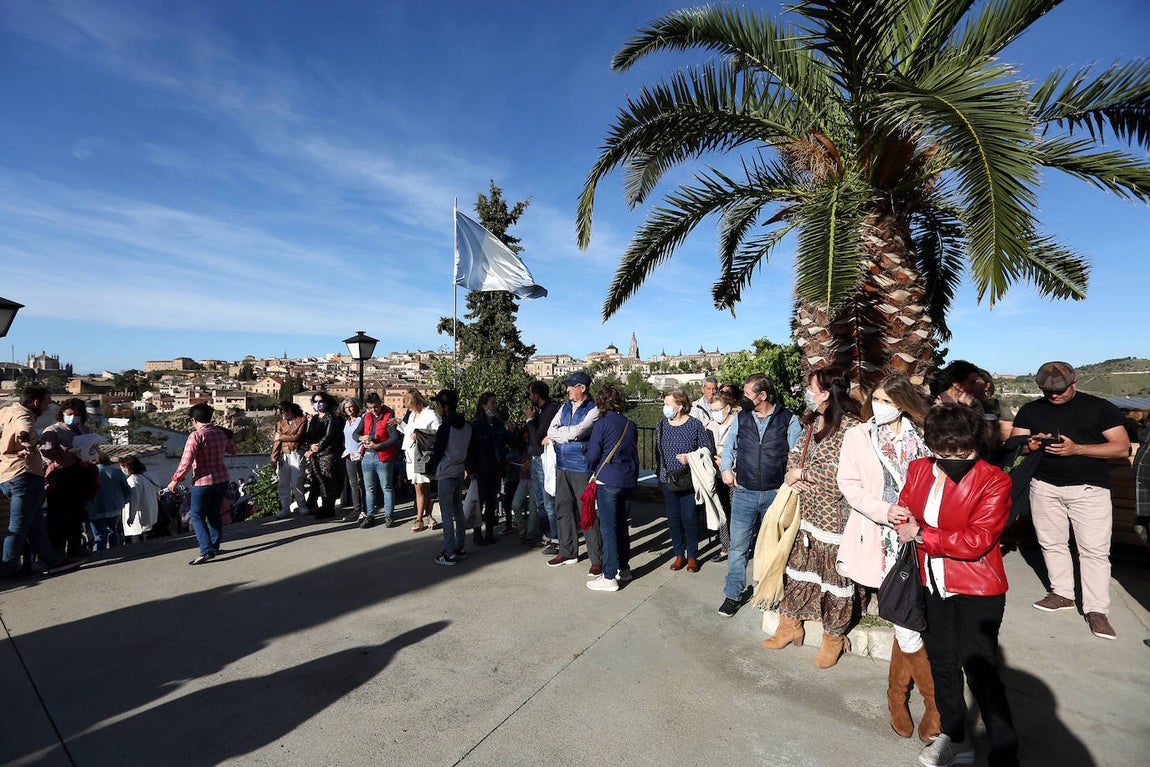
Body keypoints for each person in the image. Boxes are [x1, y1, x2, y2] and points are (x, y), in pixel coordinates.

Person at [894, 404, 1019, 767]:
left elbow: (978, 540)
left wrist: (921, 533)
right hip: (931, 583)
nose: (954, 460)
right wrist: (900, 516)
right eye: (944, 454)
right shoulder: (919, 469)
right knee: (943, 664)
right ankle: (955, 737)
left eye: (963, 453)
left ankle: (1005, 750)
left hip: (977, 588)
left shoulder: (994, 480)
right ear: (931, 446)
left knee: (981, 670)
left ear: (976, 446)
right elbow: (906, 506)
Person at [836, 374, 939, 742]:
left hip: (922, 539)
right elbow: (849, 486)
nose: (878, 406)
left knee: (906, 617)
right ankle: (933, 703)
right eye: (875, 399)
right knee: (907, 620)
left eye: (886, 400)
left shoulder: (925, 435)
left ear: (902, 403)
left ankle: (897, 696)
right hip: (882, 540)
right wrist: (884, 510)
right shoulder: (858, 436)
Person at [1009, 361, 1130, 639]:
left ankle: (1096, 610)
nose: (1054, 395)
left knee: (1094, 551)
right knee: (1051, 543)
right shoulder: (1030, 410)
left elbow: (1121, 447)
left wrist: (1077, 448)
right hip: (1044, 487)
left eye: (1060, 389)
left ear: (1074, 383)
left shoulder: (1099, 408)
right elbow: (1016, 446)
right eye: (1048, 391)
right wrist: (1031, 445)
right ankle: (1062, 594)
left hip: (1089, 490)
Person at [763, 367, 860, 669]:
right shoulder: (812, 422)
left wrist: (802, 473)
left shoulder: (851, 429)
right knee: (797, 569)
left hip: (835, 517)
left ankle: (834, 636)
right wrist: (793, 472)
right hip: (805, 513)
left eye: (811, 387)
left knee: (835, 577)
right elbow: (795, 454)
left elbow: (841, 472)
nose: (807, 391)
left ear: (826, 393)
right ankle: (790, 624)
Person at [717, 374, 800, 617]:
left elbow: (795, 455)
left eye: (747, 394)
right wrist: (725, 470)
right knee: (738, 547)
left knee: (772, 548)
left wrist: (785, 484)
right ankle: (732, 594)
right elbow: (730, 446)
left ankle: (768, 592)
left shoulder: (788, 419)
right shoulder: (741, 418)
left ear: (762, 396)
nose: (742, 399)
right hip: (744, 493)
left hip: (775, 495)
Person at [1, 386, 78, 578]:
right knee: (18, 526)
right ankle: (7, 570)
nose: (46, 407)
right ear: (36, 402)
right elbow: (25, 431)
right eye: (45, 403)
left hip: (7, 475)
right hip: (23, 475)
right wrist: (28, 443)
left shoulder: (7, 410)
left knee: (35, 523)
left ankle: (53, 561)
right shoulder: (24, 416)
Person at [584, 384, 639, 592]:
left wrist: (592, 468)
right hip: (627, 480)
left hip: (608, 480)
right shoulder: (630, 424)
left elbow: (593, 455)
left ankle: (609, 576)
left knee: (608, 529)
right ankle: (624, 568)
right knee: (622, 526)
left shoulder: (602, 424)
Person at [544, 372, 602, 569]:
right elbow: (551, 430)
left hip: (581, 467)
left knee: (587, 513)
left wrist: (562, 435)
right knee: (563, 509)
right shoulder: (565, 406)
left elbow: (578, 432)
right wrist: (564, 435)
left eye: (571, 386)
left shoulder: (594, 409)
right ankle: (567, 552)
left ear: (582, 388)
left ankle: (597, 560)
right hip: (562, 465)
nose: (567, 389)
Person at [168, 403, 236, 565]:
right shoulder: (220, 433)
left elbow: (186, 461)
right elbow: (234, 451)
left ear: (194, 419)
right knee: (214, 514)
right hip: (222, 478)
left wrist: (175, 480)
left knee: (197, 516)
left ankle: (206, 550)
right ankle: (214, 545)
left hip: (202, 481)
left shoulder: (196, 436)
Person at [657, 389, 715, 573]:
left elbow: (708, 449)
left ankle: (692, 556)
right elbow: (658, 453)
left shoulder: (695, 425)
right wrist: (658, 475)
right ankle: (678, 554)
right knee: (673, 519)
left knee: (689, 518)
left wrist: (690, 457)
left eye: (668, 403)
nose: (665, 407)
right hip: (668, 479)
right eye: (665, 403)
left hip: (690, 479)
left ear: (680, 406)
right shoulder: (661, 425)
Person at [39, 397, 96, 557]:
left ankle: (75, 546)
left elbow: (92, 451)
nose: (73, 417)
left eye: (76, 414)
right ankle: (55, 550)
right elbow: (46, 454)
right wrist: (63, 454)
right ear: (62, 414)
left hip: (80, 475)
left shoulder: (85, 430)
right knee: (57, 515)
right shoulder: (53, 430)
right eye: (70, 414)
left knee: (76, 513)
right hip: (61, 476)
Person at [427, 389, 472, 565]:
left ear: (446, 407)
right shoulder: (467, 425)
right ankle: (460, 547)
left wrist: (436, 465)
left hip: (446, 472)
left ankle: (449, 552)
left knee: (446, 515)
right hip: (459, 470)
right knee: (458, 511)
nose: (437, 407)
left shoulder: (445, 427)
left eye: (438, 404)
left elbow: (438, 451)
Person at [467, 392, 509, 546]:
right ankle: (478, 534)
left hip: (494, 469)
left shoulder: (498, 424)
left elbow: (504, 443)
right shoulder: (476, 425)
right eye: (492, 403)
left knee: (491, 503)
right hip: (480, 470)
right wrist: (471, 471)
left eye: (496, 403)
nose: (495, 406)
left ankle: (490, 532)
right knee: (479, 503)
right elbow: (470, 449)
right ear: (484, 405)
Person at [397, 388, 441, 532]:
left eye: (408, 404)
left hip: (422, 455)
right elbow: (409, 432)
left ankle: (419, 519)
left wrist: (420, 436)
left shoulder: (430, 415)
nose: (407, 407)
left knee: (420, 488)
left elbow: (438, 434)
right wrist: (399, 423)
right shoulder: (412, 415)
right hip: (411, 454)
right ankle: (429, 517)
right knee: (423, 488)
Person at [355, 392, 401, 528]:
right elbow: (355, 433)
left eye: (375, 407)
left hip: (383, 456)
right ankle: (370, 515)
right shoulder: (366, 417)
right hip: (367, 456)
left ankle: (389, 515)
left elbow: (394, 438)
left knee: (386, 487)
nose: (373, 410)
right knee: (369, 488)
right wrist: (361, 438)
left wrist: (378, 446)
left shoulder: (388, 417)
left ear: (380, 404)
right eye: (370, 407)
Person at [705, 387, 739, 562]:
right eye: (713, 410)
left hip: (734, 475)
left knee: (736, 512)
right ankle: (725, 547)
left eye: (718, 410)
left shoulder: (738, 423)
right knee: (722, 511)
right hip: (715, 475)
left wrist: (726, 463)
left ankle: (738, 548)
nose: (715, 413)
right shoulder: (710, 425)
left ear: (727, 408)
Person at [525, 381, 559, 550]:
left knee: (548, 503)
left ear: (537, 395)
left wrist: (530, 420)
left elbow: (537, 437)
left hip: (544, 460)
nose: (529, 397)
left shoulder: (549, 411)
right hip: (536, 459)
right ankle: (546, 535)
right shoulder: (540, 411)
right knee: (539, 502)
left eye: (531, 394)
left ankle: (555, 538)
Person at [303, 392, 345, 520]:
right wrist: (310, 446)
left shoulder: (332, 417)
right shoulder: (315, 418)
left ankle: (329, 508)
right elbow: (309, 434)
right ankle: (322, 506)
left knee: (328, 481)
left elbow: (330, 435)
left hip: (328, 453)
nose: (318, 404)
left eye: (320, 401)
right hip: (316, 454)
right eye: (315, 401)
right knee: (318, 480)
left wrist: (318, 446)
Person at [87, 448, 129, 551]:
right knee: (113, 530)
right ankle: (115, 551)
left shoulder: (88, 474)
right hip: (114, 508)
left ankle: (99, 555)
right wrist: (123, 502)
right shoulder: (116, 472)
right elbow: (127, 490)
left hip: (94, 509)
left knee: (99, 535)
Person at [271, 401, 307, 518]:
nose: (283, 415)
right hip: (284, 454)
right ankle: (285, 507)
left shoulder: (302, 420)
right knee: (283, 482)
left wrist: (281, 437)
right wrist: (274, 457)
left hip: (296, 452)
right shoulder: (281, 422)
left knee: (297, 480)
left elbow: (297, 437)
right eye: (281, 413)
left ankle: (301, 505)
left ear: (290, 409)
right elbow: (277, 442)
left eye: (284, 412)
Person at [120, 455, 160, 542]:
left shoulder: (132, 480)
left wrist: (131, 517)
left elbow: (134, 501)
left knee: (139, 544)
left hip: (139, 521)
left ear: (126, 467)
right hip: (149, 517)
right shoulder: (145, 478)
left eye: (122, 468)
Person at [339, 398, 366, 524]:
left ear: (355, 407)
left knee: (362, 483)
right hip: (348, 455)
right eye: (346, 407)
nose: (349, 409)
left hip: (359, 455)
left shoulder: (361, 420)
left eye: (351, 406)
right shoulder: (347, 421)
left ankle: (364, 510)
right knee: (353, 483)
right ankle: (356, 509)